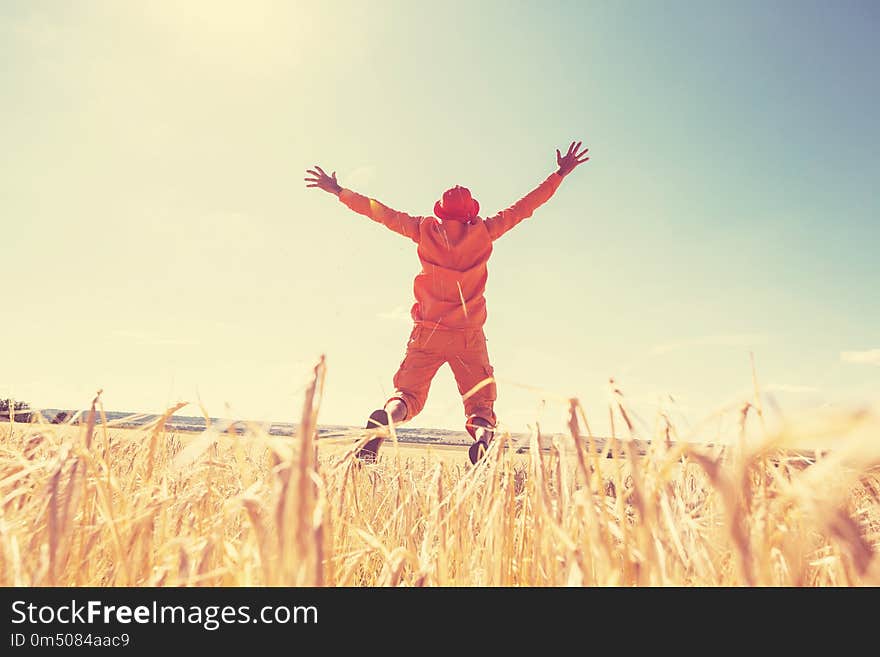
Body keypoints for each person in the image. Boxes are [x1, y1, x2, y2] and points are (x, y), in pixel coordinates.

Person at [305, 141, 589, 463]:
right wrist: (559, 174)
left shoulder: (424, 229)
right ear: (472, 213)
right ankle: (481, 441)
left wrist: (338, 190)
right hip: (468, 336)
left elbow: (381, 213)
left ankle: (385, 422)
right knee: (481, 406)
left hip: (427, 332)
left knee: (406, 396)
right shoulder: (485, 231)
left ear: (441, 211)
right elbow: (524, 208)